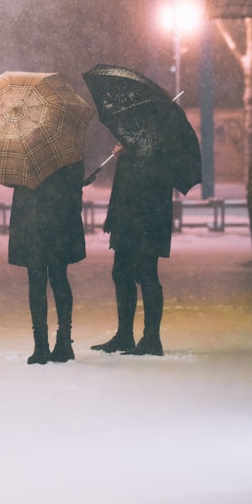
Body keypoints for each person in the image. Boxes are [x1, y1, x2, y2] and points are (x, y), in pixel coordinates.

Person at [91, 142, 173, 357]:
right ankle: (125, 334)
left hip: (147, 214)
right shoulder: (134, 130)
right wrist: (124, 156)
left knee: (146, 274)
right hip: (127, 214)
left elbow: (156, 170)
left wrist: (133, 154)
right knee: (121, 272)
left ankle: (151, 338)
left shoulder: (158, 129)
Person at [8, 161, 86, 364]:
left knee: (37, 279)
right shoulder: (66, 147)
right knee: (59, 277)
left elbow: (12, 180)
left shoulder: (22, 147)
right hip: (59, 218)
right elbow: (76, 182)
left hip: (32, 219)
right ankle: (64, 341)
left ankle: (41, 345)